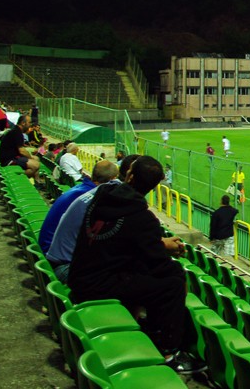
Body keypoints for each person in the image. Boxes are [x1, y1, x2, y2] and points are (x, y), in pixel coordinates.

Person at [68, 155, 204, 375]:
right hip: (98, 283)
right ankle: (168, 352)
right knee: (172, 282)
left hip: (81, 274)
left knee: (153, 275)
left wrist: (158, 246)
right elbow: (157, 263)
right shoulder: (142, 218)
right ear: (155, 185)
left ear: (128, 174)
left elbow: (123, 240)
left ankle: (152, 329)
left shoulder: (102, 196)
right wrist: (168, 253)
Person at [47, 155, 135, 284]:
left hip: (57, 256)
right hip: (63, 263)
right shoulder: (98, 198)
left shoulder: (85, 192)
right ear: (113, 180)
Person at [39, 160, 118, 253]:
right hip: (52, 249)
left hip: (48, 244)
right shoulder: (90, 197)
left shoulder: (81, 189)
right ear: (113, 180)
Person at [0, 114, 40, 178]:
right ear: (23, 123)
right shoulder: (16, 132)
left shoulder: (16, 130)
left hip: (13, 157)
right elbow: (22, 151)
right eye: (29, 122)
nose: (30, 125)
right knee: (35, 165)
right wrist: (30, 158)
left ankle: (37, 181)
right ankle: (20, 178)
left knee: (36, 158)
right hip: (9, 160)